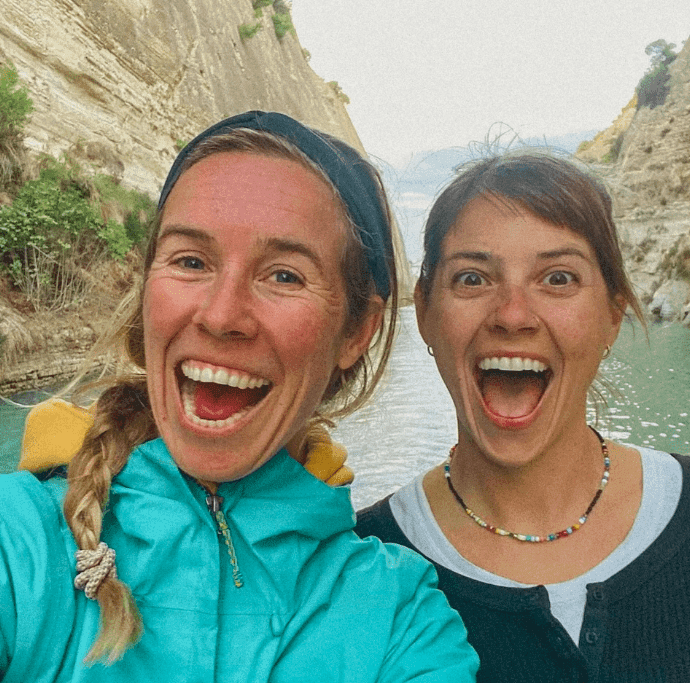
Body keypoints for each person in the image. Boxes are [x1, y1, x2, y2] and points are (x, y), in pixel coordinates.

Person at [0, 111, 479, 682]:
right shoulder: (18, 543)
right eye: (191, 261)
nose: (222, 314)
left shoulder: (401, 619)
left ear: (356, 332)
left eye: (284, 276)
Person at [356, 152, 690, 682]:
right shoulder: (361, 570)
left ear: (612, 315)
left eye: (557, 278)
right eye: (472, 279)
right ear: (424, 313)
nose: (512, 314)